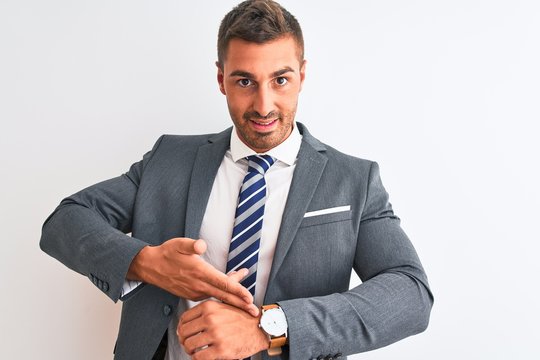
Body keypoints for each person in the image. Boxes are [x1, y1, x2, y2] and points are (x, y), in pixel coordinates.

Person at [40, 1, 434, 359]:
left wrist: (269, 327)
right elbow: (66, 221)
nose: (264, 105)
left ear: (302, 74)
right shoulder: (170, 160)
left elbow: (410, 294)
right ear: (221, 79)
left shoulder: (354, 180)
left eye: (280, 80)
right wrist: (146, 262)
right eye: (244, 81)